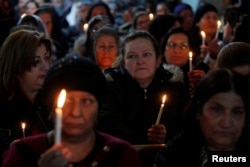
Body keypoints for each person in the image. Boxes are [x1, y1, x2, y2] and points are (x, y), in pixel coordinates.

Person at [2, 55, 142, 167]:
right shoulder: (23, 152)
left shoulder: (121, 154)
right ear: (52, 107)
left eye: (86, 101)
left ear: (98, 107)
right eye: (68, 101)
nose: (76, 113)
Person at [97, 30, 190, 145]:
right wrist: (145, 136)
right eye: (132, 56)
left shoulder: (176, 89)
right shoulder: (109, 89)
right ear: (123, 63)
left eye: (146, 55)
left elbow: (188, 130)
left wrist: (167, 136)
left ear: (158, 60)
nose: (140, 61)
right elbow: (106, 127)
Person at [154, 69, 250, 167]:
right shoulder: (173, 157)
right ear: (198, 111)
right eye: (216, 110)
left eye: (237, 112)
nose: (226, 123)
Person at [0, 29, 53, 164]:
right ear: (16, 65)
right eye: (36, 61)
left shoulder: (53, 103)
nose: (45, 67)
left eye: (46, 58)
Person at [161, 27, 207, 95]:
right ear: (164, 49)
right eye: (172, 45)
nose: (177, 51)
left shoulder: (200, 72)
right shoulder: (154, 73)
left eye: (183, 46)